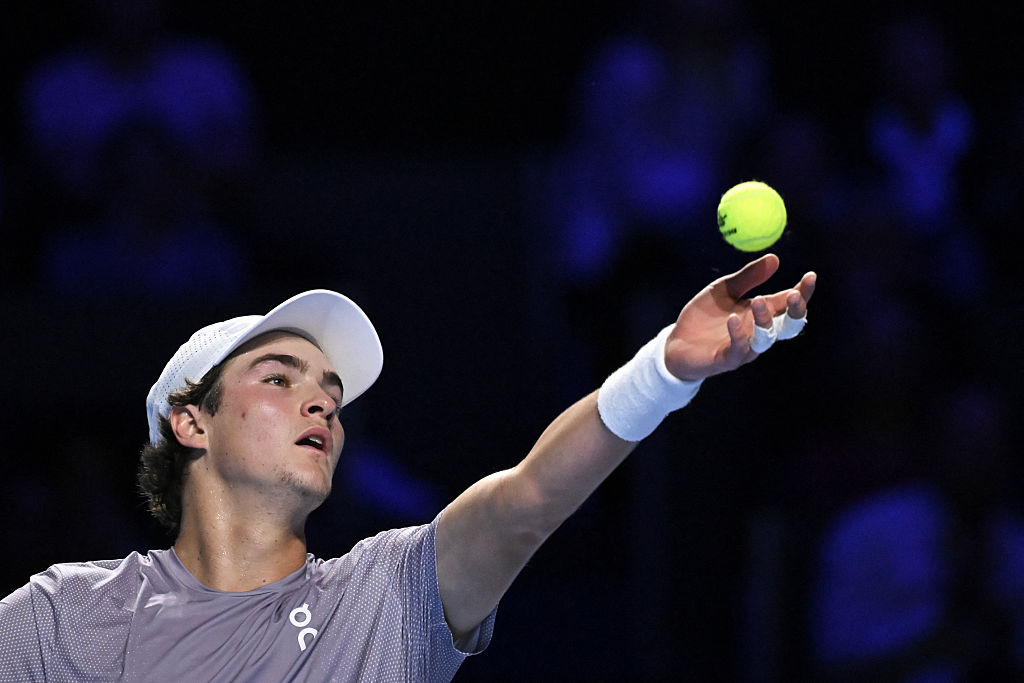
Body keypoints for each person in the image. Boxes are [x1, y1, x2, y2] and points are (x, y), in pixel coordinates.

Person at [0, 253, 815, 681]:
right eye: (280, 378)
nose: (322, 403)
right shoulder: (63, 620)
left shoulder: (385, 597)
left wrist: (662, 372)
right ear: (192, 421)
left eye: (331, 392)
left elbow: (527, 498)